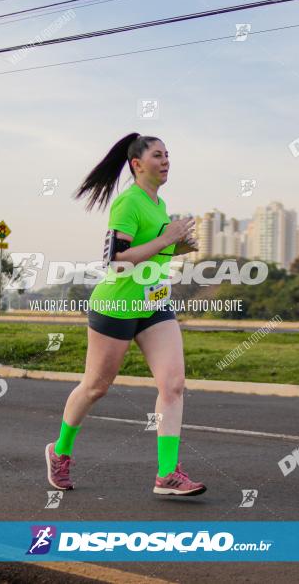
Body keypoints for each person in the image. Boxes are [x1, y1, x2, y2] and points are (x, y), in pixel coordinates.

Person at [44, 132, 206, 496]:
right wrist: (167, 240)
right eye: (158, 155)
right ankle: (60, 451)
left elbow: (148, 254)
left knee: (173, 384)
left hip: (153, 304)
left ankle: (167, 474)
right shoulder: (127, 203)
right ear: (137, 164)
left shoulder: (159, 205)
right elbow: (116, 262)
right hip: (116, 305)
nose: (166, 161)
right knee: (96, 387)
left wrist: (177, 248)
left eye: (168, 155)